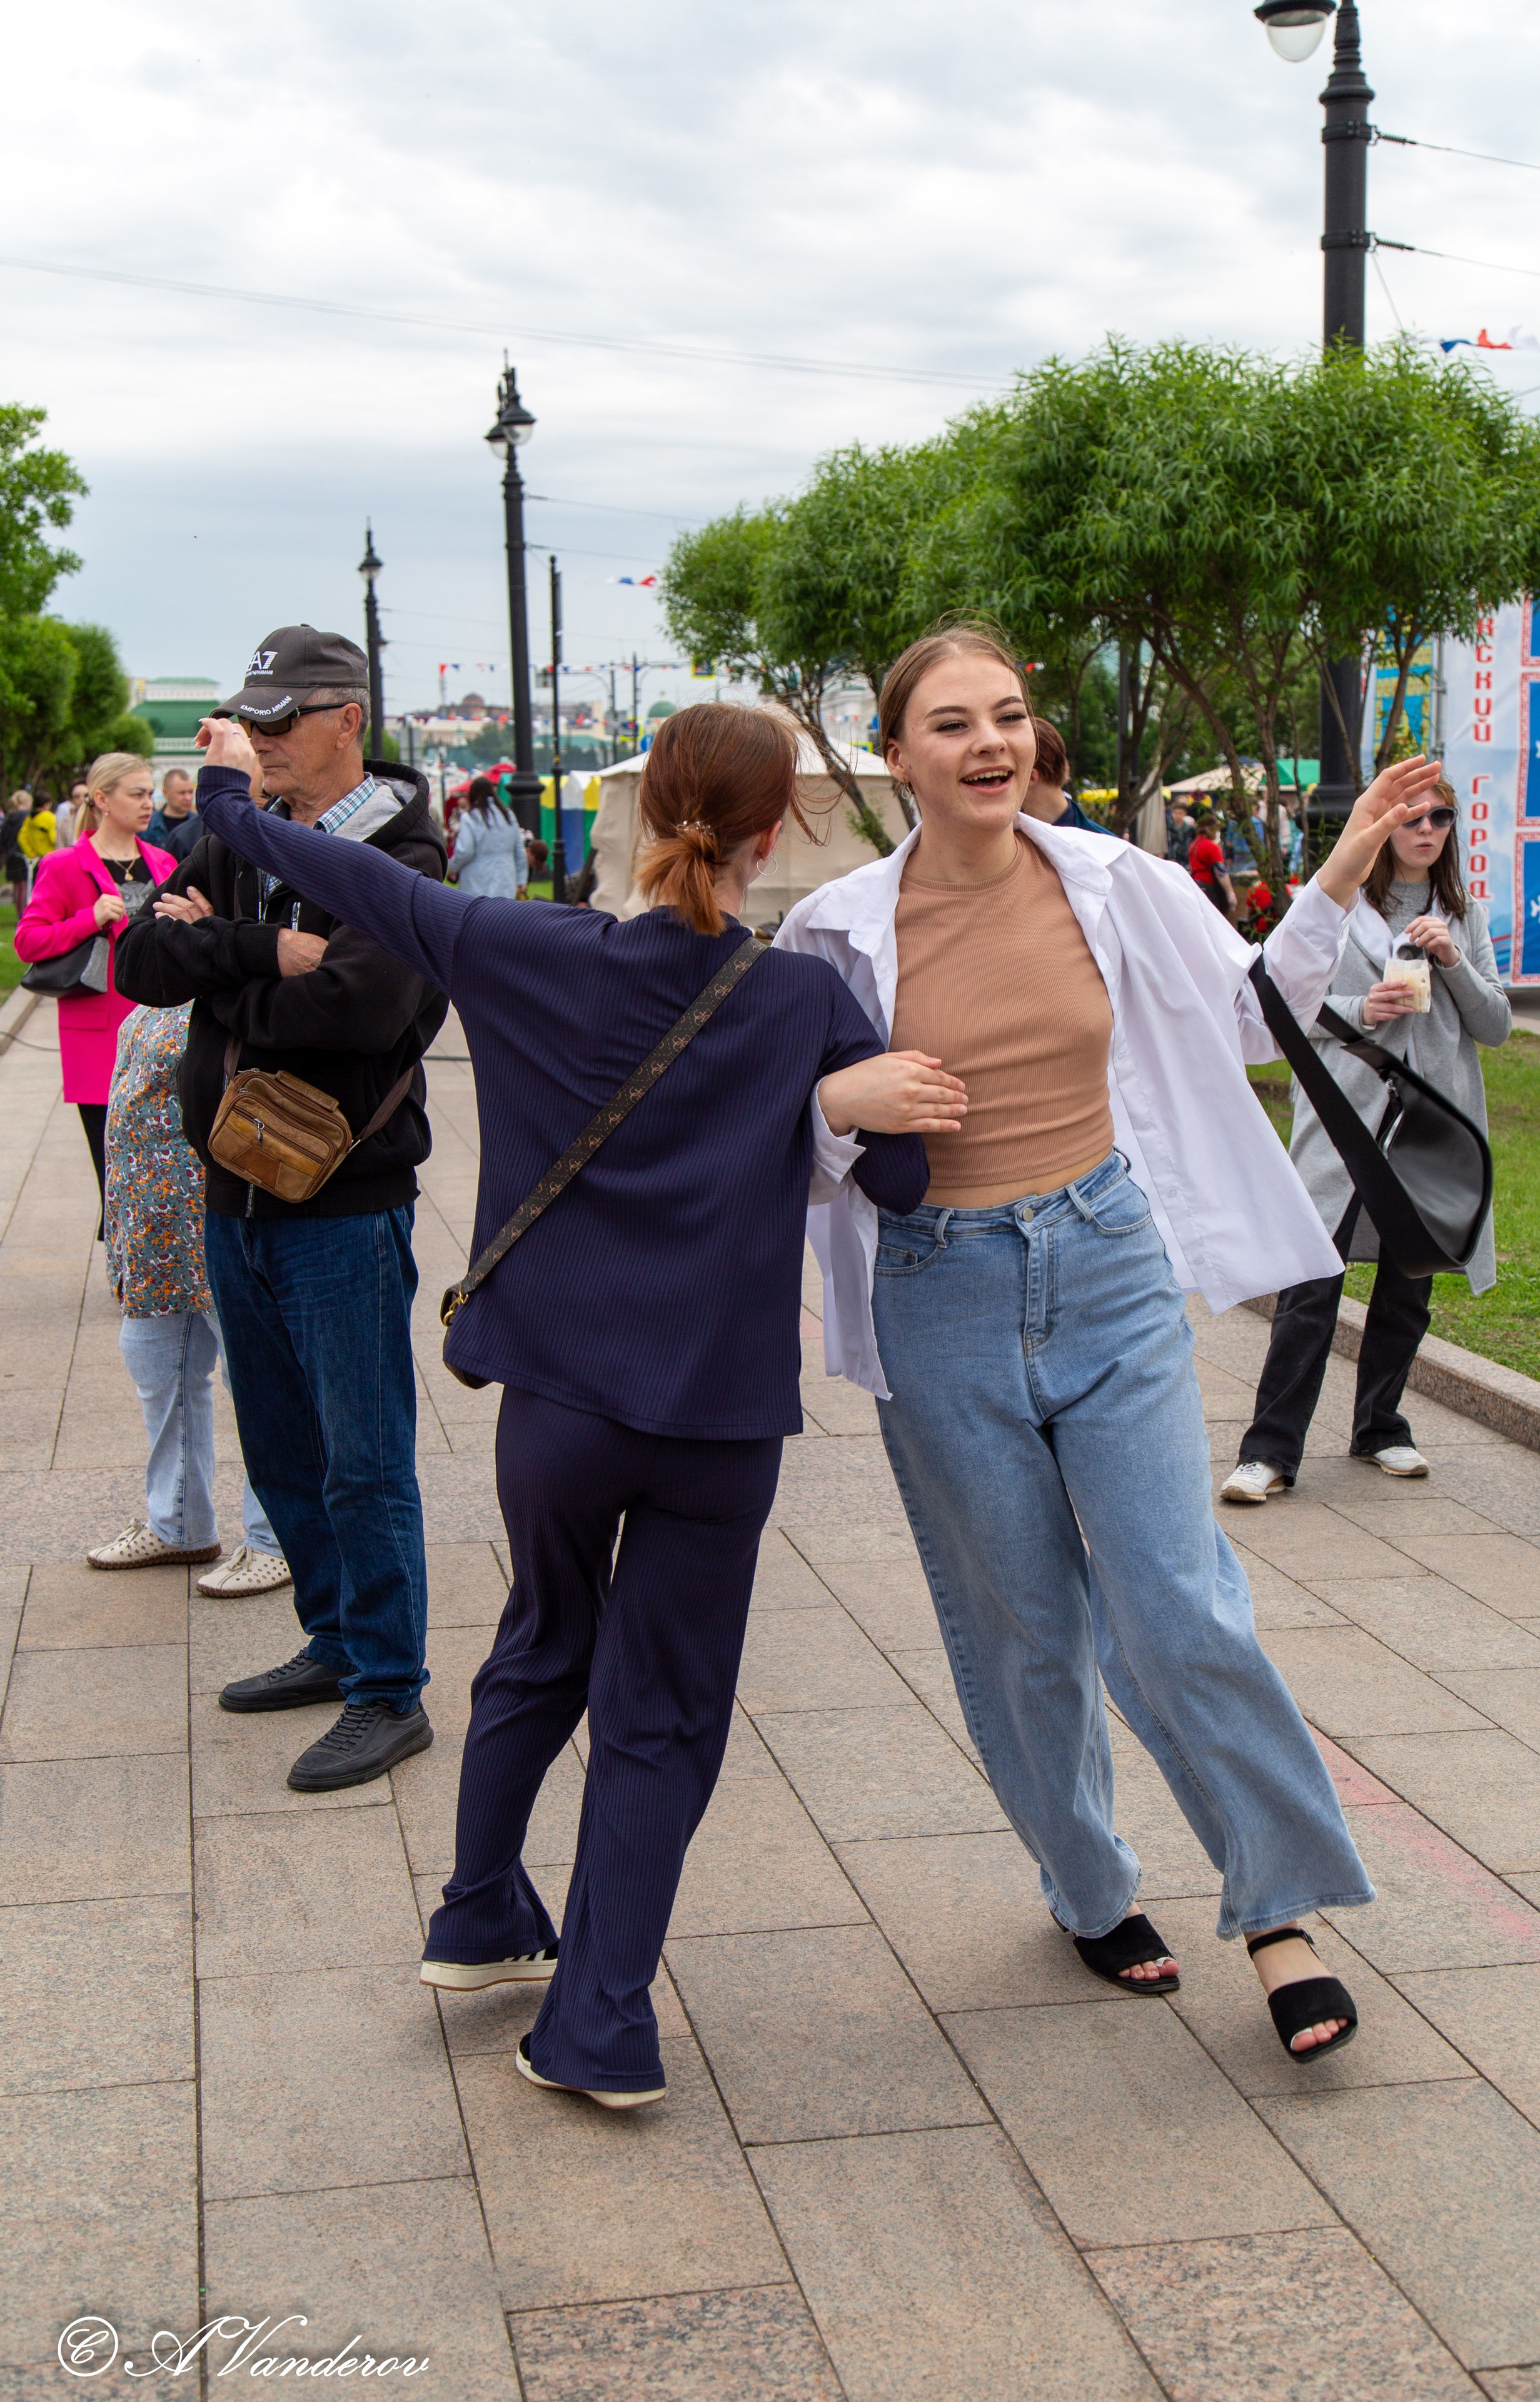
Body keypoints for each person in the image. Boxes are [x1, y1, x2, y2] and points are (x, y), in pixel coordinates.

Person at [185, 698, 940, 2109]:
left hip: (559, 1403)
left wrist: (226, 806)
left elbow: (369, 885)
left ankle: (476, 1916)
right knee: (660, 1712)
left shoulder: (517, 946)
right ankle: (597, 2020)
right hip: (716, 1422)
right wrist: (856, 1101)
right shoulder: (804, 1001)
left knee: (540, 1640)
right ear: (780, 831)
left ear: (647, 812)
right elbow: (895, 1187)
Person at [778, 622, 1441, 2059]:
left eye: (1006, 716)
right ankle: (1086, 1883)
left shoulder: (1113, 882)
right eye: (950, 724)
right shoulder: (828, 932)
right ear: (894, 755)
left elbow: (1256, 1023)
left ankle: (1277, 1912)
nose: (988, 744)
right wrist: (843, 1102)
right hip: (933, 1288)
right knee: (1022, 1624)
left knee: (1175, 1597)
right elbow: (770, 1131)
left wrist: (1339, 865)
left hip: (1104, 1262)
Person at [115, 624, 448, 1796]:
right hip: (234, 1186)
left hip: (341, 1195)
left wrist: (220, 973)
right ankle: (336, 1637)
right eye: (248, 721)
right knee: (283, 1442)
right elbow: (136, 966)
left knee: (364, 1456)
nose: (258, 741)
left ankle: (388, 1687)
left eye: (279, 720)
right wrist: (268, 951)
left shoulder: (406, 848)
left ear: (347, 717)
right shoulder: (237, 834)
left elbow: (364, 1009)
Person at [1222, 772, 1510, 1501]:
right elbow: (1279, 1008)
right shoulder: (1339, 906)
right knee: (1312, 1278)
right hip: (1347, 1115)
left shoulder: (1461, 912)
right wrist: (1362, 1006)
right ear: (1381, 824)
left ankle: (1380, 1426)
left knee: (1409, 1282)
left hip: (1430, 1123)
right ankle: (1269, 1449)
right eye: (1412, 817)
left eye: (1440, 817)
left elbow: (1497, 1025)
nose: (1426, 830)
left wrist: (1452, 963)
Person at [88, 999, 291, 1591]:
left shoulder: (233, 982)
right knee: (156, 1367)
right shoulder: (157, 987)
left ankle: (275, 1537)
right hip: (151, 1233)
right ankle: (178, 1523)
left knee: (253, 1378)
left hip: (213, 1216)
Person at [14, 754, 174, 1235]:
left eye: (151, 793)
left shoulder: (162, 861)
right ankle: (126, 1263)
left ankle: (150, 1262)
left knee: (157, 1162)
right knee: (113, 1166)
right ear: (102, 800)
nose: (150, 803)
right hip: (98, 1033)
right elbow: (28, 940)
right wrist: (89, 918)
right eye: (138, 793)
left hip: (158, 1029)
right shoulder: (64, 866)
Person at [449, 775, 526, 897]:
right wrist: (521, 878)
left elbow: (466, 850)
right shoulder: (508, 815)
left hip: (476, 881)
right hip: (506, 879)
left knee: (479, 916)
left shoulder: (471, 817)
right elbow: (519, 850)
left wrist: (453, 867)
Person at [146, 767, 204, 863]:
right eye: (182, 793)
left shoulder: (200, 827)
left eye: (190, 792)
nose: (188, 798)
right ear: (165, 792)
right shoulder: (148, 824)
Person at [1187, 808, 1234, 916]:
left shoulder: (1193, 845)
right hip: (1209, 887)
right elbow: (1221, 872)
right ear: (1210, 829)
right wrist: (1230, 893)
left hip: (1196, 885)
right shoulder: (1211, 846)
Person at [18, 789, 60, 894]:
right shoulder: (50, 818)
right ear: (47, 805)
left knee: (38, 891)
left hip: (37, 861)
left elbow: (21, 838)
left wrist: (31, 854)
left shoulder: (29, 819)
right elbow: (54, 839)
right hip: (51, 859)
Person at [3, 790, 31, 916]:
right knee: (25, 884)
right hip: (23, 853)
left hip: (11, 855)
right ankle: (25, 914)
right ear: (27, 802)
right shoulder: (27, 816)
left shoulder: (9, 817)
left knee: (17, 886)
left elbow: (3, 837)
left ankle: (19, 913)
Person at [57, 782, 87, 849]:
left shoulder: (101, 821)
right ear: (71, 800)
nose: (82, 799)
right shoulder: (65, 823)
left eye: (86, 796)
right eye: (77, 797)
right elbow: (60, 849)